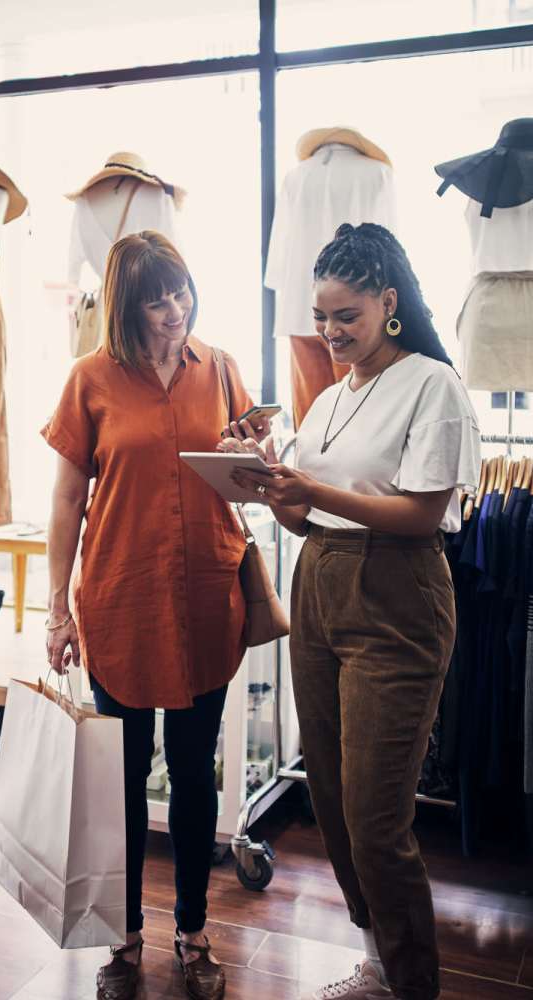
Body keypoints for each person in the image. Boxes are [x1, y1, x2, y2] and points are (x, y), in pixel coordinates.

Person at [222, 222, 481, 1000]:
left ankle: (413, 984)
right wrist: (267, 479)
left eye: (348, 316)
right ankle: (378, 959)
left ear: (388, 303)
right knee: (330, 797)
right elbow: (307, 519)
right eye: (322, 316)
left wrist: (315, 493)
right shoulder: (332, 396)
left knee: (375, 814)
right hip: (320, 584)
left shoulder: (432, 384)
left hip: (397, 595)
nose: (331, 333)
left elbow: (423, 512)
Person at [42, 230, 269, 1000]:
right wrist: (56, 612)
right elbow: (68, 502)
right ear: (126, 305)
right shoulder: (90, 379)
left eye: (180, 292)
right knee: (125, 776)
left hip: (208, 594)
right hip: (122, 598)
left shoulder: (224, 369)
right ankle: (126, 935)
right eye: (154, 299)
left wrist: (254, 455)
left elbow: (249, 485)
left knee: (197, 771)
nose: (173, 311)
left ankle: (195, 930)